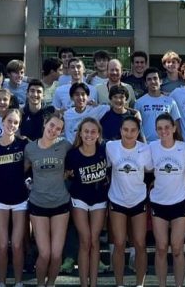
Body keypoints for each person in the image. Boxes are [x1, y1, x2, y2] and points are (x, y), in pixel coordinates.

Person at [24, 113, 72, 287]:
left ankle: (51, 284)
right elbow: (22, 170)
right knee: (44, 253)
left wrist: (69, 173)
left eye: (58, 129)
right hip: (38, 204)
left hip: (61, 204)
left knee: (56, 254)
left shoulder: (65, 146)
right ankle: (39, 284)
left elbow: (75, 163)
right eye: (51, 125)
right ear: (45, 124)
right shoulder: (30, 148)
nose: (53, 130)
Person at [106, 115, 152, 287]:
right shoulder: (111, 147)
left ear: (138, 132)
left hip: (138, 200)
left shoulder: (145, 149)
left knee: (140, 244)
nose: (129, 133)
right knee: (118, 244)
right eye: (125, 129)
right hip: (117, 200)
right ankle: (120, 283)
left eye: (133, 130)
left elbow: (151, 170)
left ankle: (140, 284)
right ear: (120, 130)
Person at [0, 108, 29, 287]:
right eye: (9, 121)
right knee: (2, 245)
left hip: (20, 198)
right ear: (3, 122)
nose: (12, 125)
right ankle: (1, 282)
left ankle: (18, 282)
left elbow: (29, 166)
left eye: (15, 122)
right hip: (0, 198)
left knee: (17, 245)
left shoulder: (24, 144)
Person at [65, 118, 110, 287]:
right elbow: (66, 175)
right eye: (86, 131)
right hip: (79, 199)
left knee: (95, 240)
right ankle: (84, 283)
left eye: (93, 131)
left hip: (99, 199)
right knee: (85, 240)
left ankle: (94, 283)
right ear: (80, 133)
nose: (89, 135)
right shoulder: (73, 155)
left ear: (98, 134)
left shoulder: (104, 151)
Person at [149, 113, 185, 287]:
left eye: (167, 127)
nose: (164, 131)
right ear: (156, 131)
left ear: (174, 128)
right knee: (161, 248)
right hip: (158, 202)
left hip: (180, 202)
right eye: (159, 128)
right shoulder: (151, 147)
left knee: (178, 248)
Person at [135, 67, 181, 142]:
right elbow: (136, 126)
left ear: (160, 81)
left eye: (155, 78)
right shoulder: (139, 102)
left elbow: (177, 125)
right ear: (146, 84)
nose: (153, 81)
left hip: (166, 145)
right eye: (149, 79)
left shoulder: (170, 101)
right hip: (146, 145)